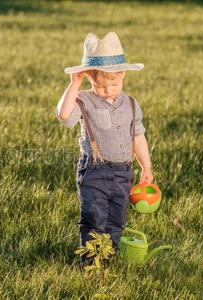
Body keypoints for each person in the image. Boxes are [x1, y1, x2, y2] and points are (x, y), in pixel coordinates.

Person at [55, 32, 154, 268]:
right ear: (90, 78)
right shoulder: (84, 100)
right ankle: (91, 262)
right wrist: (74, 83)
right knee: (94, 217)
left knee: (116, 219)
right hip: (95, 173)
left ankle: (109, 257)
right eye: (101, 86)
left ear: (124, 76)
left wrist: (146, 165)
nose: (109, 90)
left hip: (123, 173)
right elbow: (63, 115)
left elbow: (138, 137)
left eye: (114, 83)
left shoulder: (130, 104)